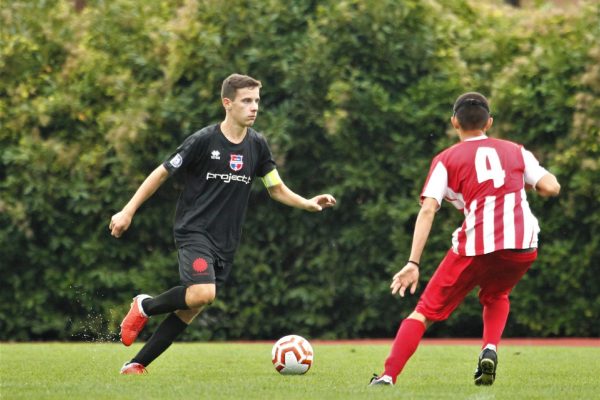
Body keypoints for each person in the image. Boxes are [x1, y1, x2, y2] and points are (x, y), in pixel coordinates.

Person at [109, 73, 336, 375]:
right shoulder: (203, 141)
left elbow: (275, 188)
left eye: (256, 100)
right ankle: (145, 306)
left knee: (192, 307)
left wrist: (307, 202)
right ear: (227, 103)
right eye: (246, 101)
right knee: (204, 293)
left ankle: (136, 364)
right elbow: (161, 172)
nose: (254, 107)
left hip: (226, 241)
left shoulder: (257, 145)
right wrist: (127, 211)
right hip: (194, 230)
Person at [369, 92, 560, 387]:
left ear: (454, 122)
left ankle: (388, 376)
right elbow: (551, 187)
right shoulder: (515, 150)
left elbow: (429, 209)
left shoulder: (446, 159)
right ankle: (489, 349)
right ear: (490, 122)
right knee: (496, 294)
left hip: (477, 244)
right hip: (523, 243)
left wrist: (413, 262)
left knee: (423, 312)